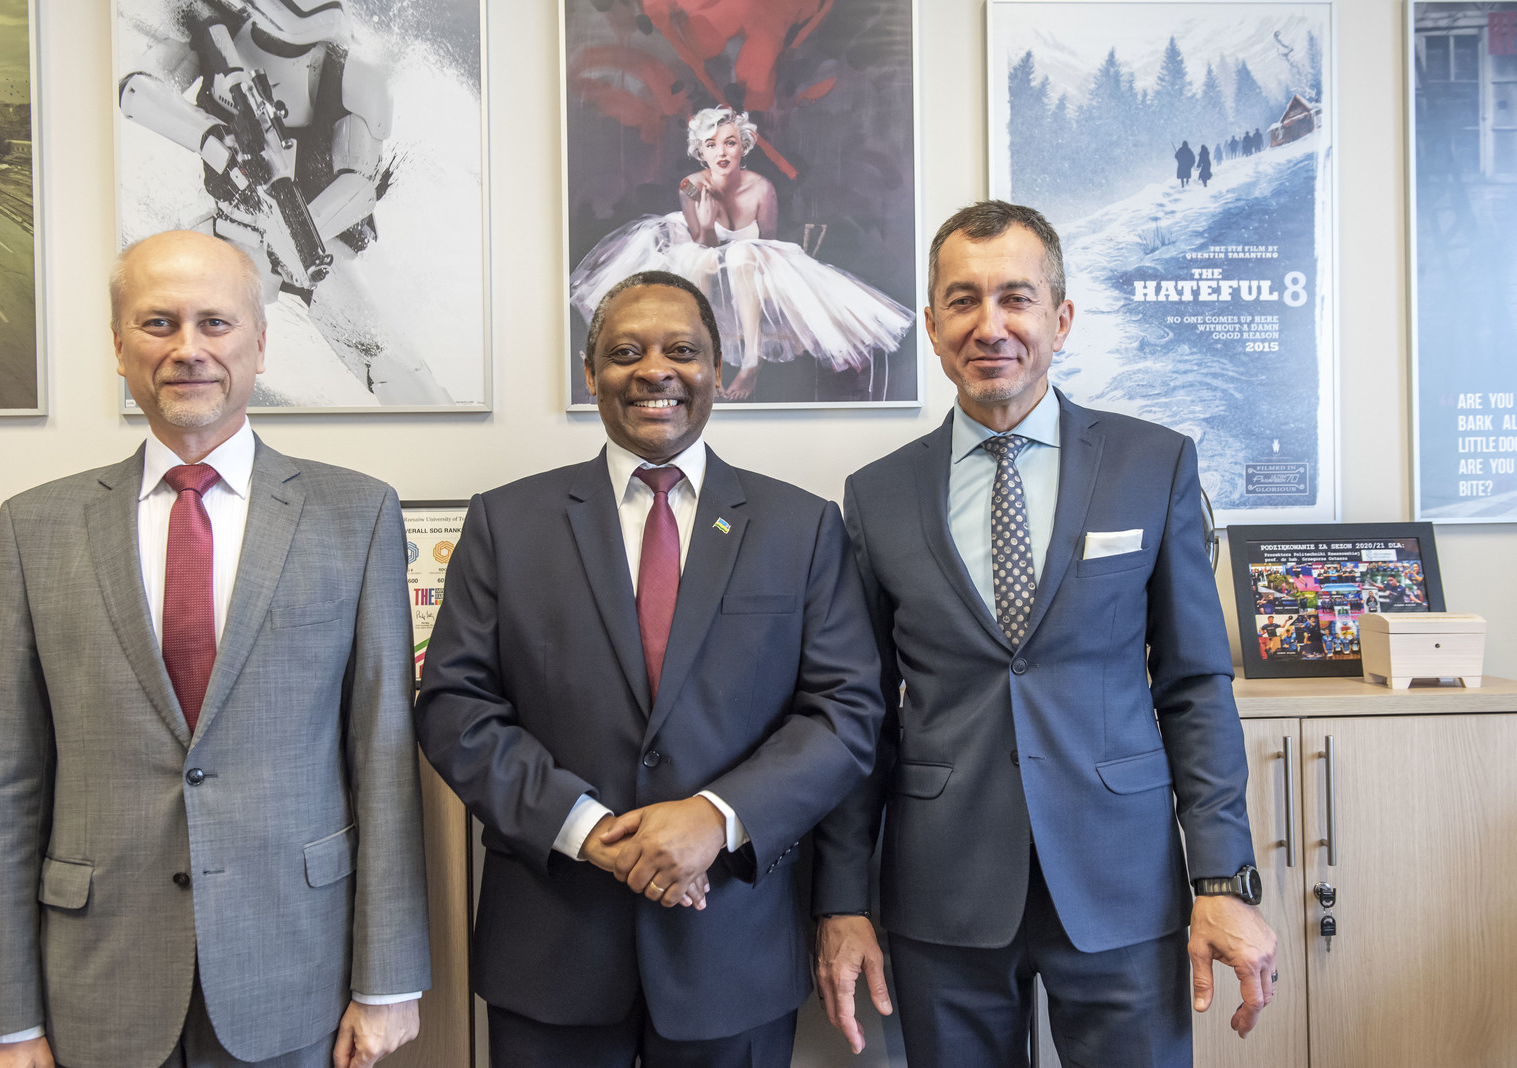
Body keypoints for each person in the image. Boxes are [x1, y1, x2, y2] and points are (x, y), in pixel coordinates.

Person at [812, 201, 1276, 1067]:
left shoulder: (1154, 465)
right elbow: (858, 716)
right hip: (942, 893)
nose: (990, 325)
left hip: (1123, 884)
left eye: (1016, 298)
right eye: (963, 300)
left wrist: (1221, 878)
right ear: (932, 326)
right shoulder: (876, 495)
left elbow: (1193, 687)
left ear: (1061, 320)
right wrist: (843, 899)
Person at [0, 230, 431, 1068]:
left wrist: (389, 980)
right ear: (119, 347)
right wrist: (6, 1020)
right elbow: (9, 780)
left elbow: (384, 760)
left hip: (296, 971)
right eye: (158, 323)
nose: (188, 348)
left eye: (215, 322)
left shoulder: (355, 515)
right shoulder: (37, 527)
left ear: (260, 343)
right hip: (97, 981)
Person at [415, 270, 884, 1066]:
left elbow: (845, 713)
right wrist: (587, 829)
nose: (655, 370)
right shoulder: (506, 522)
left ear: (718, 369)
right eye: (626, 352)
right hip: (552, 952)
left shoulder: (802, 527)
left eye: (682, 351)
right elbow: (455, 706)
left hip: (733, 947)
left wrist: (716, 817)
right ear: (590, 373)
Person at [118, 0, 453, 404]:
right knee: (155, 332)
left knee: (394, 368)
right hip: (232, 230)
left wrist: (296, 233)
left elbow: (359, 186)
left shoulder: (353, 74)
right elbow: (136, 89)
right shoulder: (217, 33)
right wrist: (214, 141)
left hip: (316, 242)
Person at [569, 106, 913, 402]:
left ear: (743, 146)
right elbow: (702, 244)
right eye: (711, 144)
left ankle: (751, 361)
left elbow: (768, 245)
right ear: (700, 152)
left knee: (742, 255)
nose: (721, 152)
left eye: (730, 143)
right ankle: (700, 355)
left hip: (749, 271)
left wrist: (741, 253)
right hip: (703, 263)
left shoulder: (762, 189)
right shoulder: (691, 186)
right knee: (706, 258)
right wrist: (706, 223)